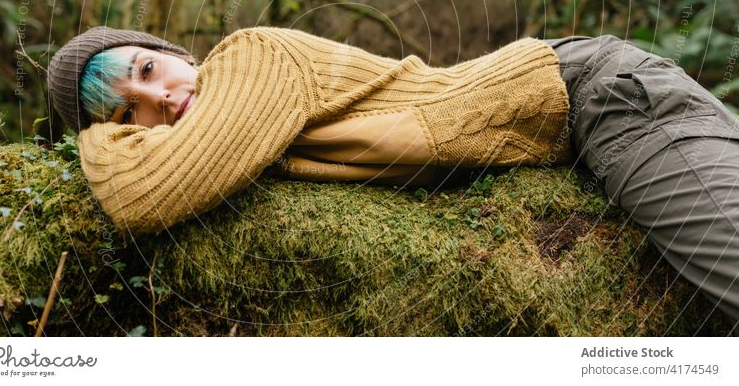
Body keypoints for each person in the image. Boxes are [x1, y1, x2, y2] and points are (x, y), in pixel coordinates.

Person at [47, 25, 739, 329]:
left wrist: (95, 137)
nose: (160, 99)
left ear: (171, 51)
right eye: (128, 113)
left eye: (146, 69)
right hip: (579, 132)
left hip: (597, 94)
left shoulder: (251, 59)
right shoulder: (241, 136)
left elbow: (143, 193)